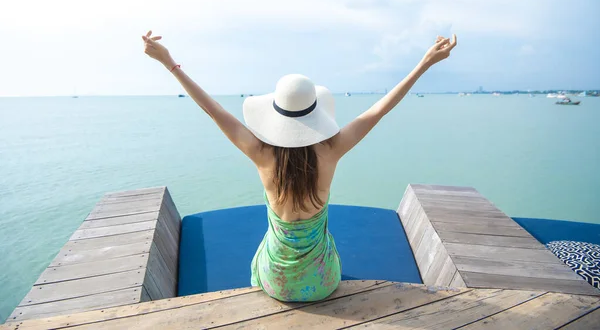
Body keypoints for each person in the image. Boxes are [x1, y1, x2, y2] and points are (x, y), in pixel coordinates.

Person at [141, 30, 457, 302]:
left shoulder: (261, 153)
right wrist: (425, 63)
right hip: (323, 283)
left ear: (277, 115)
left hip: (276, 283)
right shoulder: (331, 151)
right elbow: (378, 110)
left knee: (264, 249)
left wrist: (169, 63)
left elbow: (213, 110)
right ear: (314, 113)